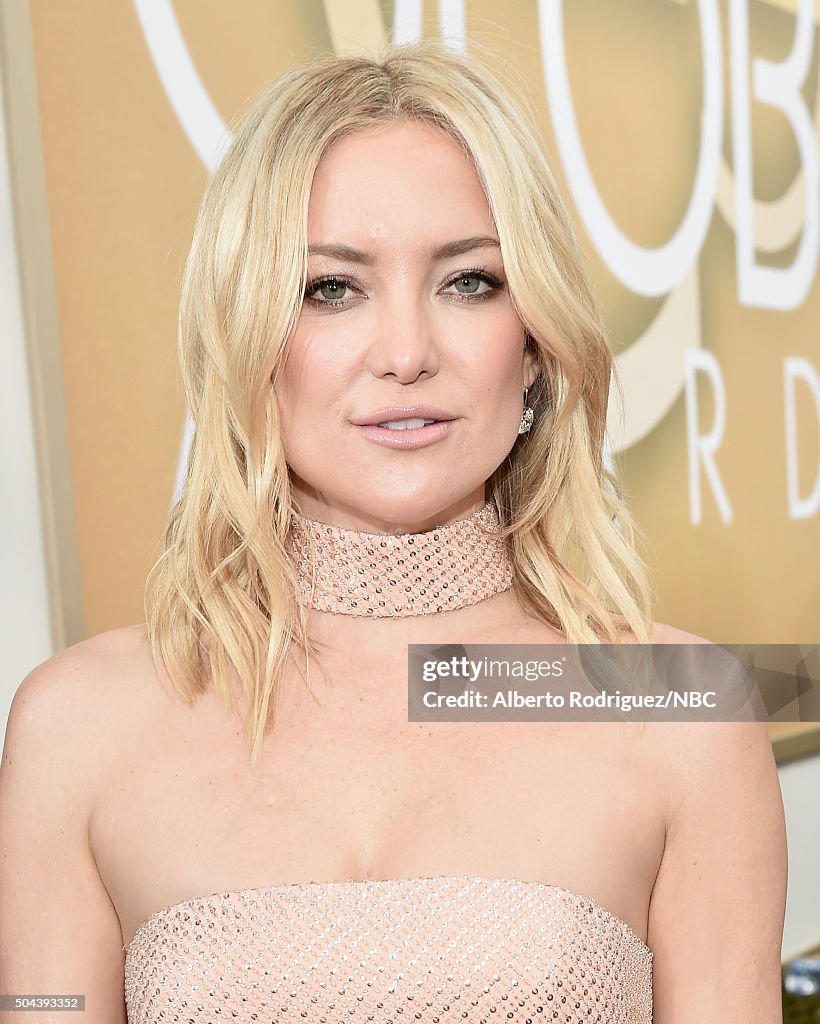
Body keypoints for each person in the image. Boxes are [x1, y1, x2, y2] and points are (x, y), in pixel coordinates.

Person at [0, 40, 787, 1024]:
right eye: (331, 288)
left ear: (537, 347)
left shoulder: (686, 715)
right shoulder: (76, 726)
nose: (407, 353)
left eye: (469, 282)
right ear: (244, 336)